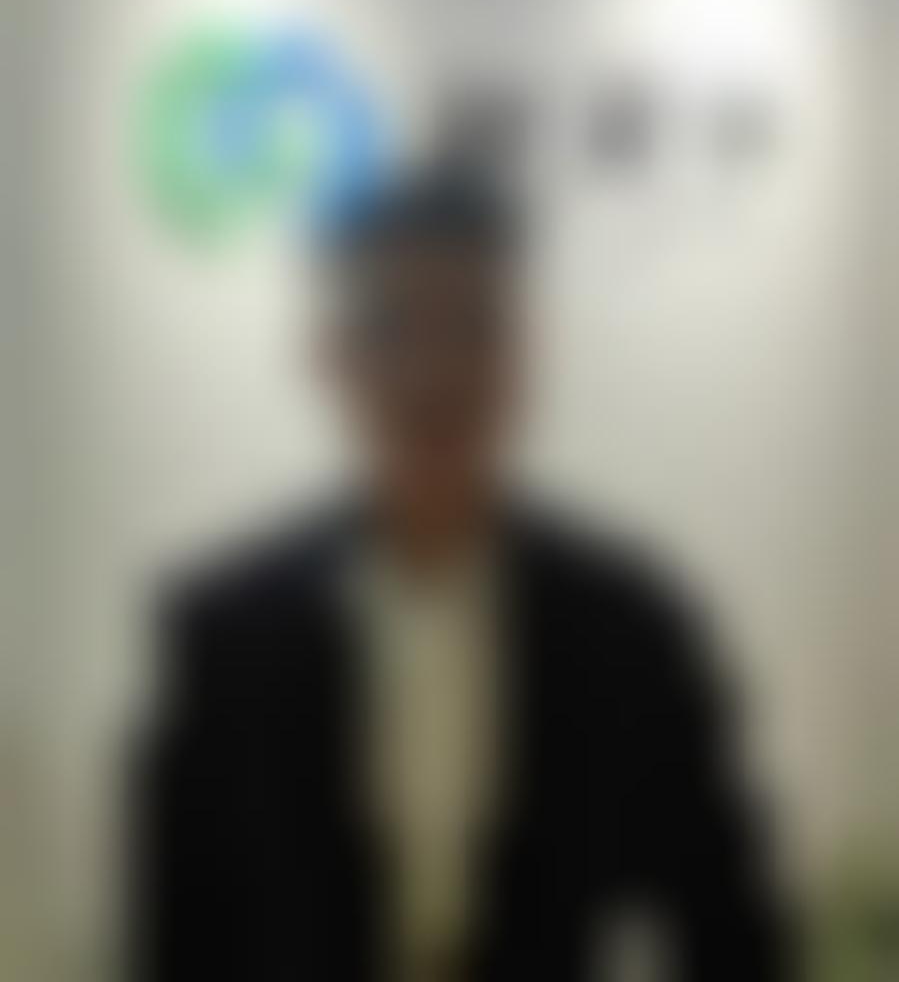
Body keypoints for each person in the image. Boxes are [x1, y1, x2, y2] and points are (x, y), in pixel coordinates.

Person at [131, 157, 791, 981]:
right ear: (331, 356)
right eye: (393, 326)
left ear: (523, 355)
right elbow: (175, 944)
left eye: (471, 325)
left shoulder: (632, 628)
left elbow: (731, 927)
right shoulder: (222, 638)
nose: (432, 371)